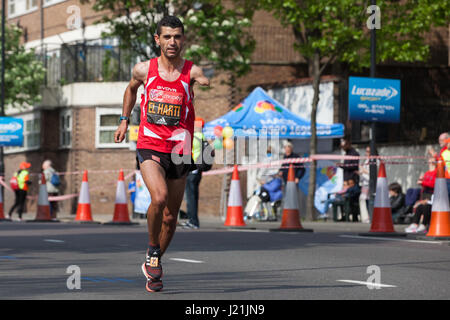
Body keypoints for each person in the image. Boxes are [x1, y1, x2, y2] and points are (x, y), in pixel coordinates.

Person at [114, 16, 209, 293]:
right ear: (157, 40)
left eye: (177, 37)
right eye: (167, 37)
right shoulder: (144, 69)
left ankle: (153, 258)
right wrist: (124, 120)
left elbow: (203, 77)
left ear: (183, 40)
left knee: (171, 217)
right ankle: (153, 247)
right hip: (150, 144)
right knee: (160, 197)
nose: (172, 42)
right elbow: (131, 90)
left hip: (180, 150)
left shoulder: (190, 71)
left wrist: (204, 81)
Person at [182, 117, 206, 229]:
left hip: (192, 170)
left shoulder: (194, 138)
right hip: (198, 170)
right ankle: (194, 220)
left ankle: (193, 221)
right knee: (194, 196)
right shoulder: (202, 137)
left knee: (190, 196)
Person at [404, 158, 437, 233]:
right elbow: (424, 186)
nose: (430, 163)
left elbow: (433, 184)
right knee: (419, 207)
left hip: (433, 195)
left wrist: (422, 183)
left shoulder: (436, 172)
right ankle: (415, 224)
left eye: (432, 161)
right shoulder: (427, 173)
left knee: (426, 207)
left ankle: (424, 225)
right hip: (426, 194)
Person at [358, 146, 371, 223]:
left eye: (368, 151)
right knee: (364, 199)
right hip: (364, 182)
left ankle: (369, 216)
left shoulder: (375, 160)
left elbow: (372, 172)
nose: (367, 153)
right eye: (366, 151)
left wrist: (363, 170)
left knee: (368, 199)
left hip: (370, 182)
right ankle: (367, 216)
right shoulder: (365, 160)